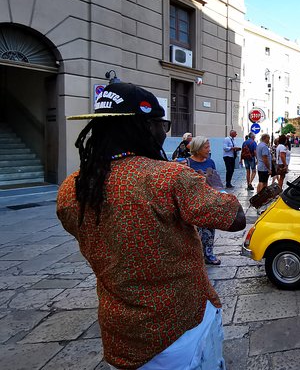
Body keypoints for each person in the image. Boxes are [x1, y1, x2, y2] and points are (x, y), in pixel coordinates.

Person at [56, 82, 245, 369]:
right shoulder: (168, 178)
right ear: (144, 126)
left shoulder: (72, 188)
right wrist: (210, 189)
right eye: (162, 124)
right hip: (180, 330)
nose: (163, 132)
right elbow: (235, 219)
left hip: (120, 335)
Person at [185, 136, 222, 266]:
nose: (209, 149)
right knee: (195, 232)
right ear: (198, 148)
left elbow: (216, 182)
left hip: (208, 201)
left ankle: (209, 254)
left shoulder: (210, 162)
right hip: (193, 202)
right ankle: (195, 256)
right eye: (206, 147)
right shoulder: (187, 163)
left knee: (210, 229)